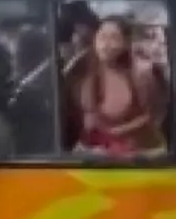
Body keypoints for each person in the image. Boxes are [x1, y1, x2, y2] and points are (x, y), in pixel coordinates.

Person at [70, 16, 166, 157]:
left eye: (113, 38)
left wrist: (118, 131)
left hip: (139, 150)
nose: (105, 44)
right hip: (96, 144)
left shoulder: (142, 73)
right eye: (101, 37)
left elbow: (153, 116)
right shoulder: (83, 66)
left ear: (126, 43)